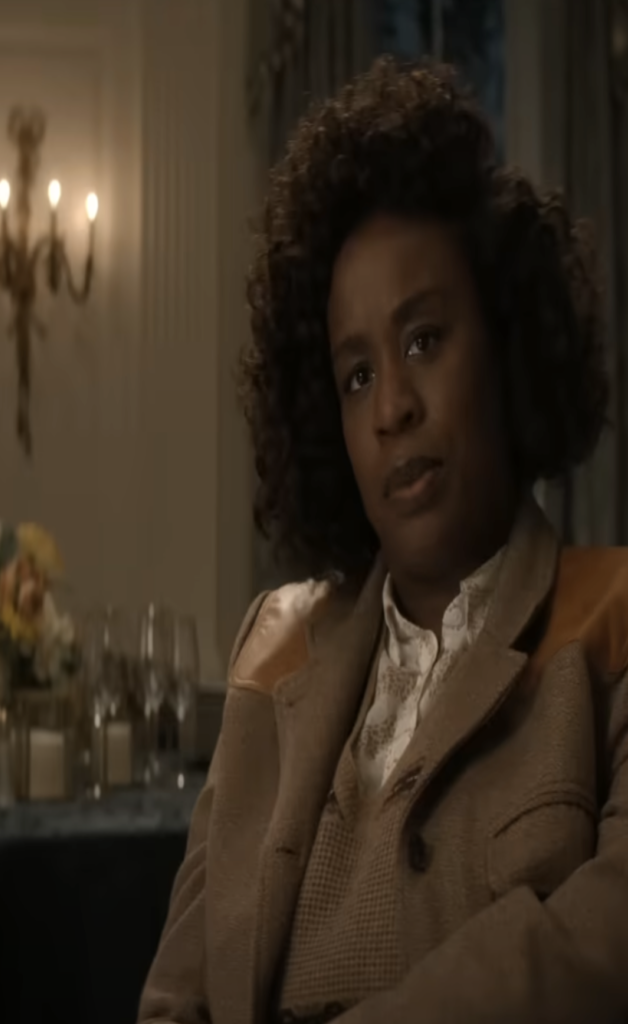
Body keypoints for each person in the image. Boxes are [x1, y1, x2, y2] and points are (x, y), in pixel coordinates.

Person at [139, 57, 628, 1024]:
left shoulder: (612, 625)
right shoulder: (272, 651)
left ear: (506, 345)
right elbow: (176, 999)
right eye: (356, 375)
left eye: (423, 341)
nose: (391, 408)